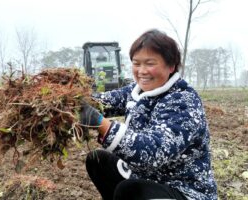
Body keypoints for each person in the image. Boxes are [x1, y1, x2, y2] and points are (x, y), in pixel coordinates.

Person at [80, 29, 217, 200]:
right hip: (149, 178)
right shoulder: (135, 91)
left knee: (129, 191)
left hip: (183, 190)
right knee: (97, 161)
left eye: (150, 63)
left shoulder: (183, 100)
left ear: (171, 66)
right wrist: (72, 100)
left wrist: (100, 123)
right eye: (136, 64)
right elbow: (102, 102)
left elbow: (152, 152)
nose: (142, 71)